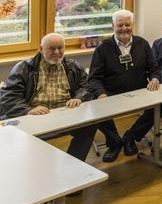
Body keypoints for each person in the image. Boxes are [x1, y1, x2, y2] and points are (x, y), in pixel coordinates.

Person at [0, 33, 96, 161]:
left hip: (65, 114)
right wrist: (27, 110)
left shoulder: (73, 66)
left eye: (60, 48)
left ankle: (73, 162)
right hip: (35, 117)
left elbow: (86, 87)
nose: (57, 52)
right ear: (41, 49)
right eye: (51, 48)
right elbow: (8, 97)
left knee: (90, 124)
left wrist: (79, 97)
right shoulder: (24, 68)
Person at [88, 10, 161, 163]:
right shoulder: (103, 48)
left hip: (139, 91)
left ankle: (131, 137)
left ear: (132, 25)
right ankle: (114, 143)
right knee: (95, 103)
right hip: (111, 93)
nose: (124, 28)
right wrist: (101, 94)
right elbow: (94, 78)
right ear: (113, 26)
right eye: (120, 25)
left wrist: (154, 79)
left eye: (127, 25)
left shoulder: (142, 43)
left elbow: (154, 68)